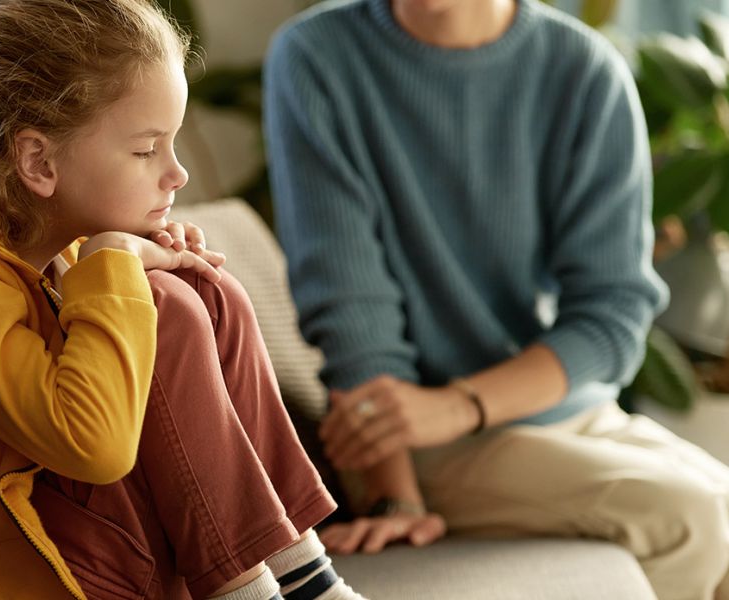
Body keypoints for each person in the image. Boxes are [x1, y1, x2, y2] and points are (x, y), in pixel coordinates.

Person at [0, 1, 370, 598]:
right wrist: (114, 265)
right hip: (40, 575)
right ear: (37, 161)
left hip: (97, 548)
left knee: (201, 291)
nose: (177, 174)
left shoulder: (50, 251)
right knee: (164, 306)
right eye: (145, 150)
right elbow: (94, 448)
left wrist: (127, 261)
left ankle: (304, 573)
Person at [263, 0, 729, 598]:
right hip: (415, 440)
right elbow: (353, 313)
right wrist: (395, 498)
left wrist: (461, 405)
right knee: (687, 520)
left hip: (555, 410)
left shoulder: (584, 69)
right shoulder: (318, 57)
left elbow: (612, 314)